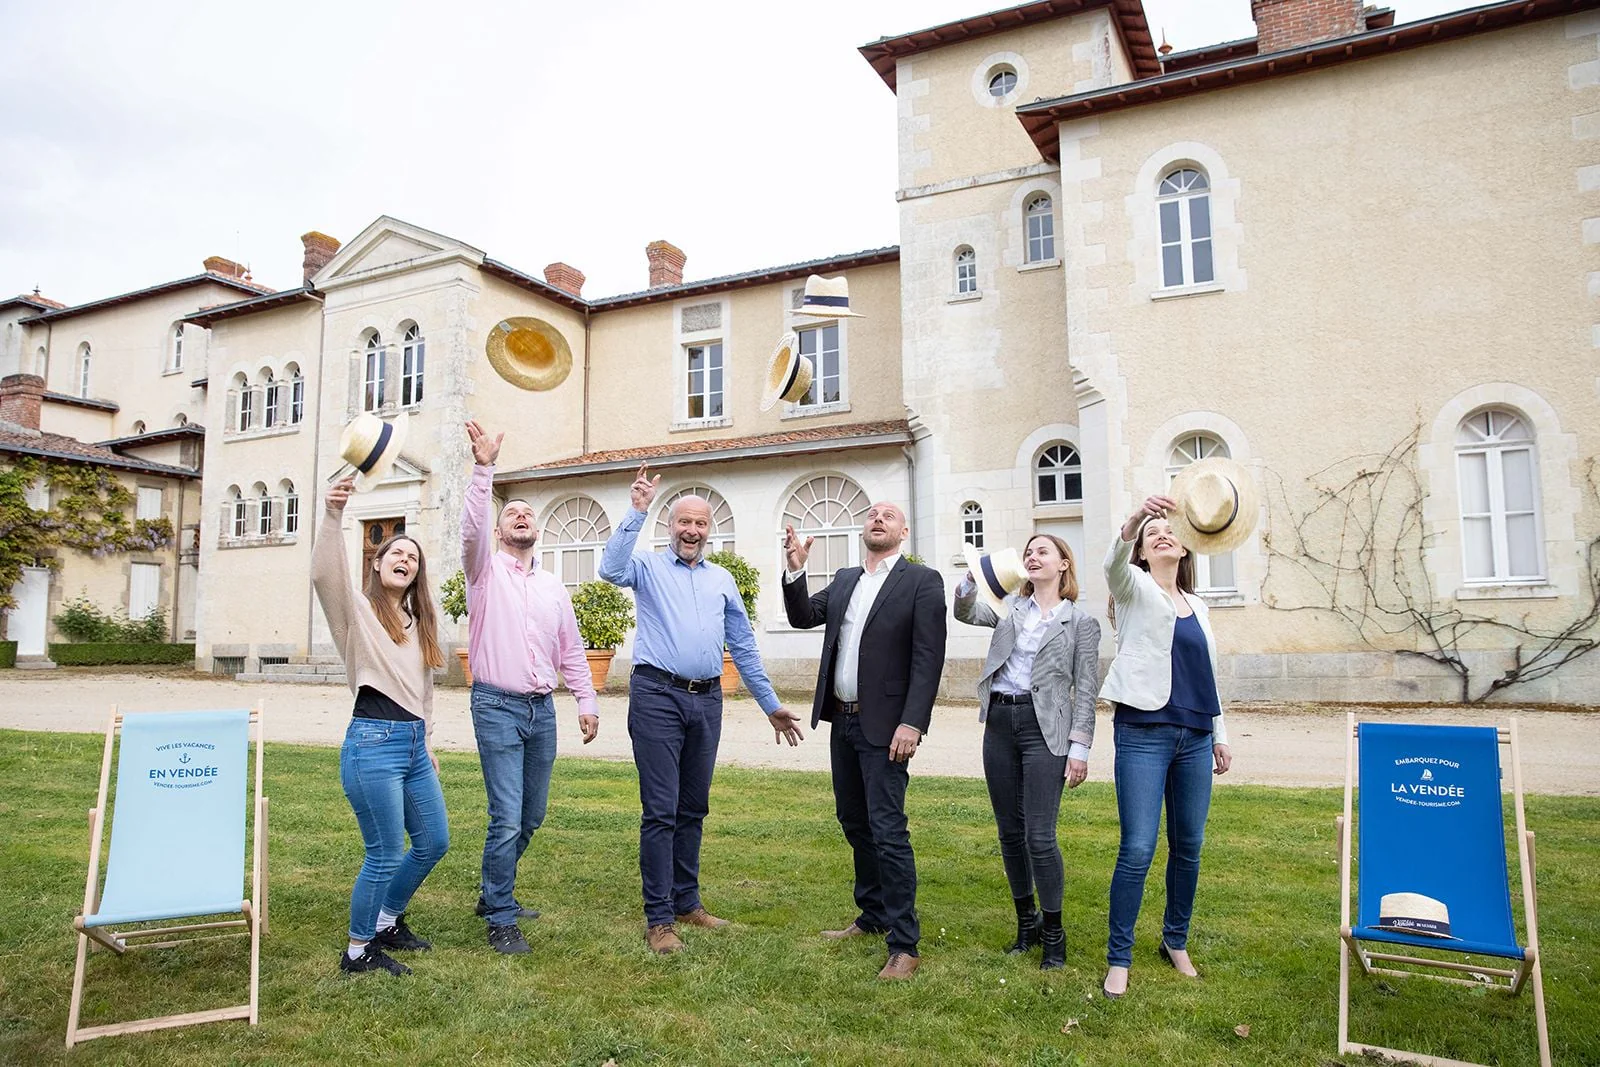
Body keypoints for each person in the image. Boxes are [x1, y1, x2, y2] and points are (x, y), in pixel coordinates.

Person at [598, 462, 805, 955]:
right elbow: (608, 570)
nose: (691, 530)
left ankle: (687, 902)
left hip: (706, 700)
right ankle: (659, 918)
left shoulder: (722, 580)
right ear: (670, 525)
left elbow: (744, 646)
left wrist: (770, 704)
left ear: (710, 531)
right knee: (661, 810)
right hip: (656, 697)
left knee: (693, 807)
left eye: (700, 524)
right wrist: (635, 510)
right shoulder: (645, 567)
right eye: (683, 522)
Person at [781, 502, 947, 980]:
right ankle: (872, 915)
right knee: (855, 822)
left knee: (889, 831)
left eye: (889, 515)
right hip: (843, 721)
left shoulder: (922, 581)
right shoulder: (847, 577)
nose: (878, 518)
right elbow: (803, 616)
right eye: (871, 513)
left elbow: (928, 658)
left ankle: (904, 944)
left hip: (889, 727)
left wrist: (912, 723)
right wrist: (797, 571)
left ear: (904, 531)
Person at [461, 420, 600, 955]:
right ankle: (499, 913)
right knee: (506, 815)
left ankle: (492, 890)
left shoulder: (551, 586)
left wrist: (585, 701)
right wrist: (483, 469)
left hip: (543, 711)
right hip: (496, 705)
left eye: (528, 513)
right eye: (511, 514)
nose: (521, 516)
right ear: (499, 532)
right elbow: (470, 529)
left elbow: (570, 649)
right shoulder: (482, 573)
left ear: (537, 530)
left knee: (532, 815)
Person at [313, 474, 449, 978]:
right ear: (376, 562)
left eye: (413, 558)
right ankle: (357, 951)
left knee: (433, 841)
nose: (405, 560)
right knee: (386, 851)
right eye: (396, 553)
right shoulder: (358, 611)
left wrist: (428, 740)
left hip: (413, 746)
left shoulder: (419, 624)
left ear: (417, 574)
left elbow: (425, 690)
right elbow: (325, 575)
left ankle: (387, 921)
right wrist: (332, 515)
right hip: (373, 743)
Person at [1099, 494, 1232, 999]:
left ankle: (1175, 940)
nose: (1161, 534)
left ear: (1185, 549)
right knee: (1137, 848)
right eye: (1151, 532)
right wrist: (1132, 519)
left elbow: (1210, 675)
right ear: (1143, 550)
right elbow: (1113, 561)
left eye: (1168, 530)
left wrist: (1219, 735)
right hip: (1144, 733)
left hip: (1195, 736)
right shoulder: (1132, 588)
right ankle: (1119, 956)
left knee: (1190, 846)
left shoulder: (1198, 606)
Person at [954, 534, 1100, 971]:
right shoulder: (1008, 609)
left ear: (1063, 565)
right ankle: (1026, 924)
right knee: (1009, 833)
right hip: (1000, 722)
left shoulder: (1081, 623)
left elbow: (1087, 690)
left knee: (1040, 836)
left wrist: (1080, 748)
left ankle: (1054, 933)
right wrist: (969, 582)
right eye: (1028, 553)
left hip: (1046, 731)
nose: (1033, 558)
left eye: (1042, 552)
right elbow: (965, 611)